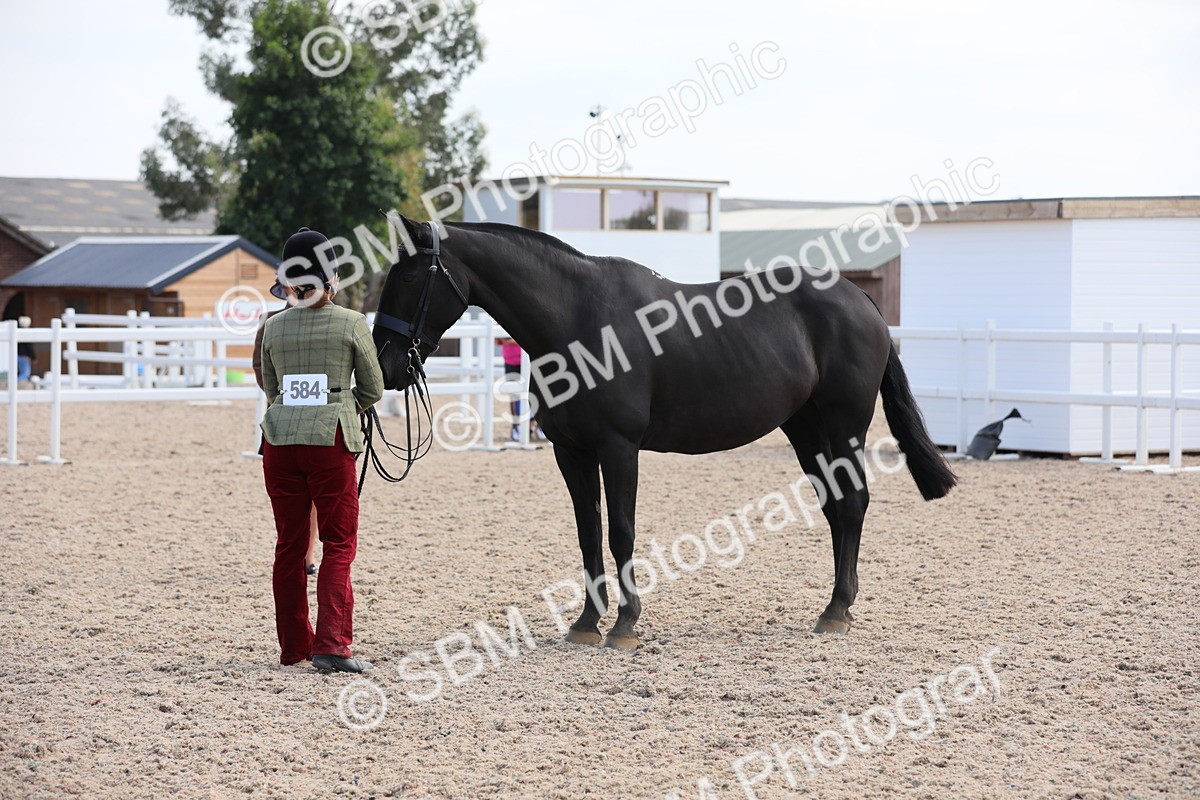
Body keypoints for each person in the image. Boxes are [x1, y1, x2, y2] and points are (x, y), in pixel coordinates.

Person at [259, 227, 384, 673]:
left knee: (290, 546)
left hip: (279, 444)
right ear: (331, 276)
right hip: (329, 443)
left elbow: (270, 388)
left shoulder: (272, 326)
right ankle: (332, 644)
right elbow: (372, 388)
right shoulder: (351, 322)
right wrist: (344, 405)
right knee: (338, 543)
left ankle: (295, 646)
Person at [253, 284, 319, 577]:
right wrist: (287, 396)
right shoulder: (269, 322)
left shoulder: (330, 320)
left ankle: (308, 552)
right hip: (285, 414)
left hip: (317, 417)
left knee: (317, 495)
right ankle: (297, 550)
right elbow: (260, 369)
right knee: (291, 496)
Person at [16, 317, 35, 383]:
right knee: (25, 373)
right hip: (24, 356)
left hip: (15, 355)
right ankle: (18, 384)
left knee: (16, 371)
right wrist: (33, 357)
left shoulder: (16, 331)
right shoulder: (26, 332)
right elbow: (29, 346)